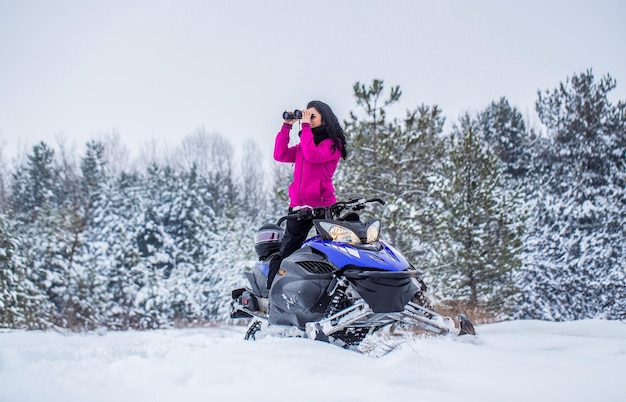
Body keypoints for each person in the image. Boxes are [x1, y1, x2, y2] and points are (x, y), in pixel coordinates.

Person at [267, 100, 348, 288]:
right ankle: (272, 293)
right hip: (299, 207)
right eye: (306, 115)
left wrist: (304, 127)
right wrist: (286, 126)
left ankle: (338, 291)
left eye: (312, 116)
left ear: (324, 120)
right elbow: (280, 154)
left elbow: (314, 155)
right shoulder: (304, 144)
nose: (308, 120)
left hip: (323, 206)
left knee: (333, 251)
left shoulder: (332, 144)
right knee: (286, 251)